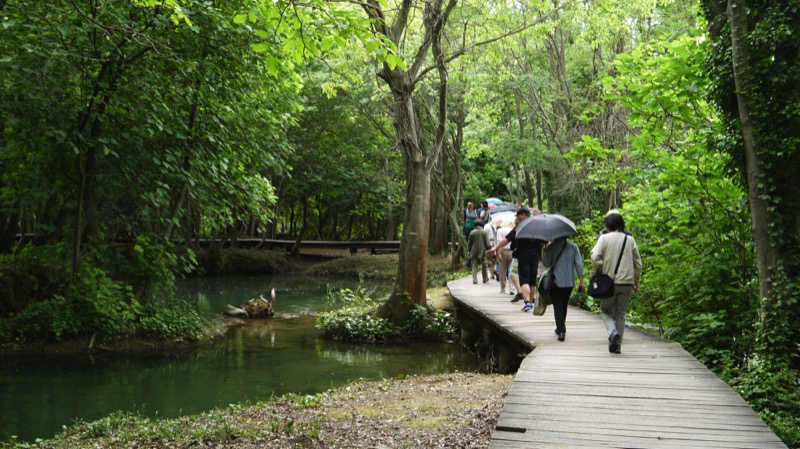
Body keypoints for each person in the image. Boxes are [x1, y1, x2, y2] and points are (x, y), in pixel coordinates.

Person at [591, 211, 642, 354]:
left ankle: (612, 332)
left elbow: (595, 256)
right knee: (621, 313)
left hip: (610, 282)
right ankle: (617, 346)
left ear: (607, 225)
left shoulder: (604, 238)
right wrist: (635, 280)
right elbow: (638, 263)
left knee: (605, 310)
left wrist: (600, 267)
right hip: (627, 282)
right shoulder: (630, 239)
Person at [487, 207, 543, 312]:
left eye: (519, 215)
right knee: (532, 281)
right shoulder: (536, 226)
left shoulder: (520, 227)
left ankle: (527, 303)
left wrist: (495, 247)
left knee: (524, 280)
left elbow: (507, 239)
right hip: (535, 256)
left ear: (523, 215)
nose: (518, 217)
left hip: (523, 255)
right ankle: (531, 302)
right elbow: (544, 240)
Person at [542, 237, 585, 342]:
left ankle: (561, 330)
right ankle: (560, 328)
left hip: (556, 281)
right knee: (564, 304)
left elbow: (546, 264)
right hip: (569, 282)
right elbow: (579, 265)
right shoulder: (573, 247)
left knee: (558, 305)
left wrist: (544, 251)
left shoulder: (551, 247)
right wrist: (582, 282)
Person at [468, 220, 491, 284]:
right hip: (482, 251)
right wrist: (489, 250)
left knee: (474, 265)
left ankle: (475, 280)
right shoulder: (484, 232)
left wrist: (469, 250)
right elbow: (488, 244)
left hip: (474, 251)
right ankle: (485, 278)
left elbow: (469, 243)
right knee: (484, 264)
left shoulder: (472, 232)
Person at [495, 224, 513, 294]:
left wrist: (498, 253)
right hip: (511, 251)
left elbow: (499, 242)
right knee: (512, 271)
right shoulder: (512, 230)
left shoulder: (500, 230)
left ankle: (503, 288)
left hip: (503, 251)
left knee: (502, 271)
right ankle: (512, 288)